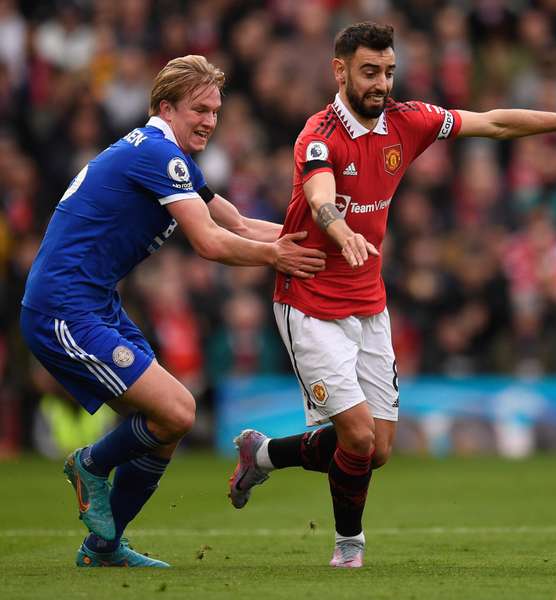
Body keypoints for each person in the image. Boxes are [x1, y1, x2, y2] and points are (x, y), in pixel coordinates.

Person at [226, 21, 556, 568]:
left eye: (389, 72)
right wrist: (339, 228)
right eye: (370, 71)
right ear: (340, 70)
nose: (382, 83)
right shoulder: (318, 134)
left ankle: (263, 454)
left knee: (377, 449)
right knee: (355, 435)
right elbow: (320, 190)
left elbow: (492, 123)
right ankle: (349, 546)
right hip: (309, 302)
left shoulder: (407, 121)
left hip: (369, 303)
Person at [19, 55, 326, 567]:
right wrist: (279, 257)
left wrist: (323, 240)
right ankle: (89, 464)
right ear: (165, 107)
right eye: (199, 109)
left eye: (215, 111)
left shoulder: (168, 158)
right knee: (178, 409)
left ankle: (102, 546)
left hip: (94, 304)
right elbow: (208, 242)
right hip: (63, 308)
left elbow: (238, 223)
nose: (210, 120)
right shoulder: (158, 155)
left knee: (168, 424)